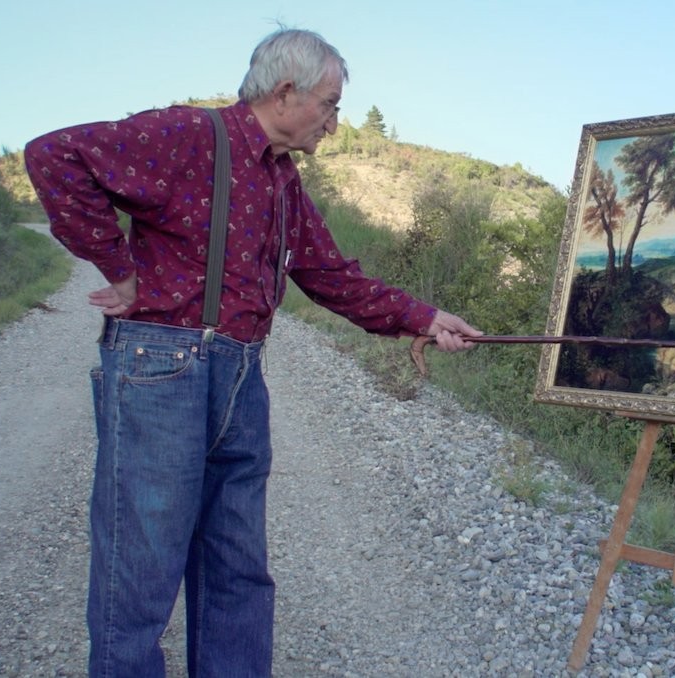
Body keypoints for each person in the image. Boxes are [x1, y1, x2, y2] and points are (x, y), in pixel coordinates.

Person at [23, 26, 480, 677]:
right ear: (286, 91)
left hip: (240, 375)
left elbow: (331, 276)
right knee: (141, 573)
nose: (333, 121)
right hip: (160, 369)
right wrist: (115, 264)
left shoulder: (283, 181)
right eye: (329, 104)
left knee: (237, 569)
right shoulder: (184, 135)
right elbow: (52, 157)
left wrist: (427, 318)